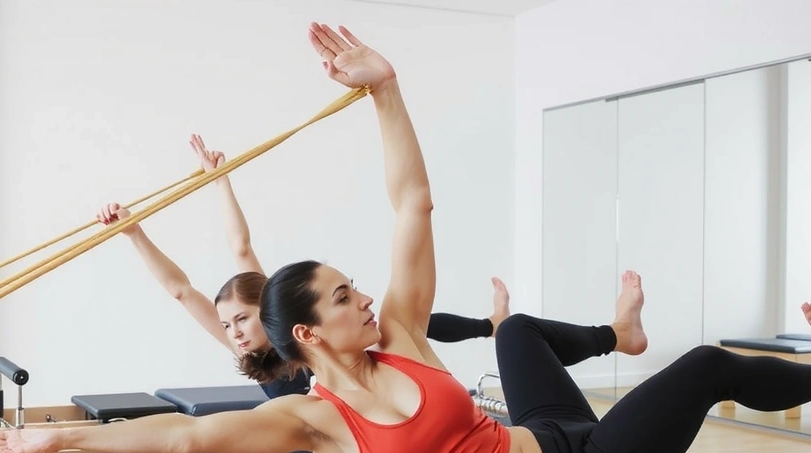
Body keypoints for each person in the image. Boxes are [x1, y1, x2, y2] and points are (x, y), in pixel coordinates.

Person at [0, 22, 811, 453]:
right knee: (709, 365)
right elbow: (190, 436)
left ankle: (644, 338)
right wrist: (54, 444)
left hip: (553, 438)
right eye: (345, 298)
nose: (366, 300)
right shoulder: (313, 420)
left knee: (516, 333)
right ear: (310, 334)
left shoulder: (403, 338)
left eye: (357, 287)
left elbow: (411, 202)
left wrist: (387, 90)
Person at [95, 135, 510, 398]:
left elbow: (241, 248)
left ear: (270, 313)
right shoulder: (248, 353)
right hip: (325, 421)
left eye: (241, 319)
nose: (234, 333)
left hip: (362, 381)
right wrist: (135, 234)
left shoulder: (297, 333)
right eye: (226, 326)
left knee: (402, 324)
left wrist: (220, 181)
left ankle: (492, 325)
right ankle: (491, 324)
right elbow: (181, 290)